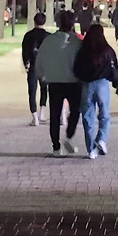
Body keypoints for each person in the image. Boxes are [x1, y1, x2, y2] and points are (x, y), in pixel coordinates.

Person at [34, 9, 83, 155]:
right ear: (73, 24)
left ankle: (56, 147)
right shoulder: (78, 42)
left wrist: (42, 75)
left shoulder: (49, 41)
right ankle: (69, 134)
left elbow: (39, 61)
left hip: (54, 82)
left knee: (54, 115)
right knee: (75, 110)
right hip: (73, 82)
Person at [73, 23, 118, 159]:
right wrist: (117, 85)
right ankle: (101, 139)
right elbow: (114, 68)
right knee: (104, 115)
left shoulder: (83, 51)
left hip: (87, 86)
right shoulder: (107, 50)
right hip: (102, 84)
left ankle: (90, 149)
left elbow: (76, 69)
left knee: (87, 117)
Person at [21, 12, 50, 126]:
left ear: (34, 22)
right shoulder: (48, 36)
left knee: (32, 92)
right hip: (45, 67)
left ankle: (35, 117)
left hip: (33, 66)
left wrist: (26, 64)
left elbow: (25, 52)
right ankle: (42, 113)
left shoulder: (28, 36)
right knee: (44, 90)